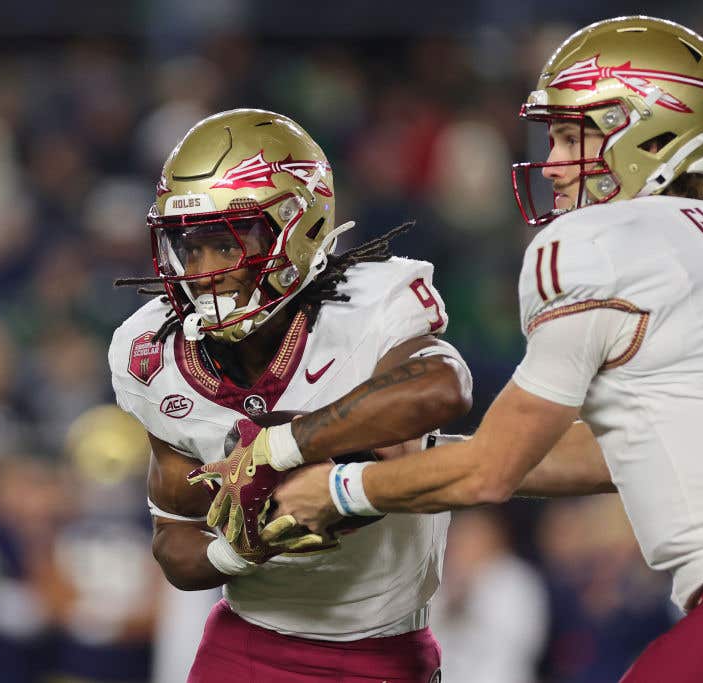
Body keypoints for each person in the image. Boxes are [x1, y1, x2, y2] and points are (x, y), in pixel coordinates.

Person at [260, 17, 703, 682]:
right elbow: (620, 448)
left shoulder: (594, 244)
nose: (553, 163)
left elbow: (491, 471)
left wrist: (343, 490)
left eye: (569, 137)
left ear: (648, 130)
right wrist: (431, 459)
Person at [107, 108, 474, 682]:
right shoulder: (153, 352)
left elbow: (442, 391)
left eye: (228, 246)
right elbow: (174, 541)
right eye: (190, 246)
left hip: (386, 654)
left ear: (296, 227)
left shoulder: (370, 306)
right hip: (246, 647)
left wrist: (284, 448)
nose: (204, 272)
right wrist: (236, 549)